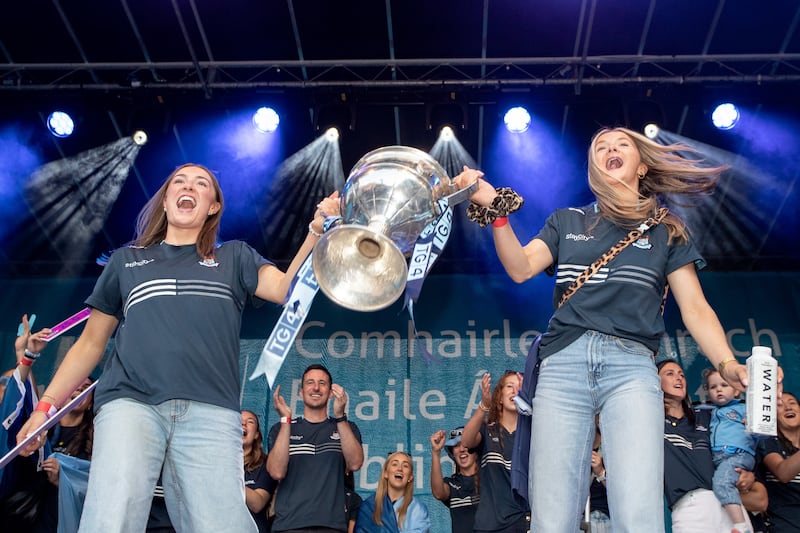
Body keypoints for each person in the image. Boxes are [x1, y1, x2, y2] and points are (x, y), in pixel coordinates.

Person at [455, 126, 753, 533]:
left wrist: (728, 362)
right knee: (553, 516)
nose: (610, 148)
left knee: (638, 510)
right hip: (563, 365)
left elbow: (696, 309)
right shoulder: (568, 220)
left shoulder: (667, 229)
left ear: (642, 165)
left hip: (631, 366)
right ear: (594, 168)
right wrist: (498, 214)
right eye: (601, 147)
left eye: (622, 145)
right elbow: (521, 268)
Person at [15, 163, 339, 533]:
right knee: (112, 514)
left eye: (202, 184)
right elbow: (90, 344)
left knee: (223, 524)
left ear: (213, 206)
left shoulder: (234, 257)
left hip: (211, 410)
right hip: (130, 403)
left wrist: (317, 230)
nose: (189, 187)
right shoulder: (127, 261)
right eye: (179, 182)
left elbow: (285, 290)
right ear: (167, 201)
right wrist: (44, 409)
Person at [660, 359, 763, 533]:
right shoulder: (650, 423)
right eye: (670, 374)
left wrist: (747, 474)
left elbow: (742, 445)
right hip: (690, 508)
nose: (678, 378)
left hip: (729, 504)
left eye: (682, 375)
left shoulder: (708, 414)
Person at [267, 363, 364, 532]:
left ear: (331, 393)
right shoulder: (282, 428)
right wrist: (285, 420)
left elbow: (355, 463)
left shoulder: (346, 426)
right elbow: (276, 472)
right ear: (301, 392)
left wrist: (340, 416)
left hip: (331, 525)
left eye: (322, 383)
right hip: (289, 525)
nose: (316, 388)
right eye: (310, 382)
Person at [461, 370, 528, 533]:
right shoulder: (488, 430)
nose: (515, 391)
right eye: (510, 386)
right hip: (490, 525)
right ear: (499, 396)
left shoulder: (532, 435)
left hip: (524, 521)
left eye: (520, 387)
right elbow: (466, 440)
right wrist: (484, 405)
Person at [704, 368, 760, 533]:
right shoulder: (709, 411)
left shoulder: (745, 409)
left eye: (724, 385)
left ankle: (741, 526)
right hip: (720, 457)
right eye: (713, 387)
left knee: (721, 483)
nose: (718, 389)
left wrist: (753, 426)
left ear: (736, 390)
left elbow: (765, 432)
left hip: (738, 454)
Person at [354, 451, 430, 533]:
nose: (400, 469)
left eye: (405, 466)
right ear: (386, 473)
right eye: (394, 464)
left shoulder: (418, 509)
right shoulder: (369, 506)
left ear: (410, 477)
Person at [758, 391, 800, 532]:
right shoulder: (769, 442)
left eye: (792, 403)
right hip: (784, 526)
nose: (788, 407)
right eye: (780, 405)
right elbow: (783, 473)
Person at [429, 427, 479, 533]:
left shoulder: (490, 478)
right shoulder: (452, 483)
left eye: (466, 444)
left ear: (476, 450)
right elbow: (438, 493)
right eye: (456, 446)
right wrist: (436, 452)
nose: (461, 449)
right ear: (452, 454)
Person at [242, 410, 277, 533]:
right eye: (238, 421)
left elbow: (257, 504)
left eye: (249, 422)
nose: (243, 424)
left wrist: (227, 477)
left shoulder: (265, 464)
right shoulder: (216, 461)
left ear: (256, 434)